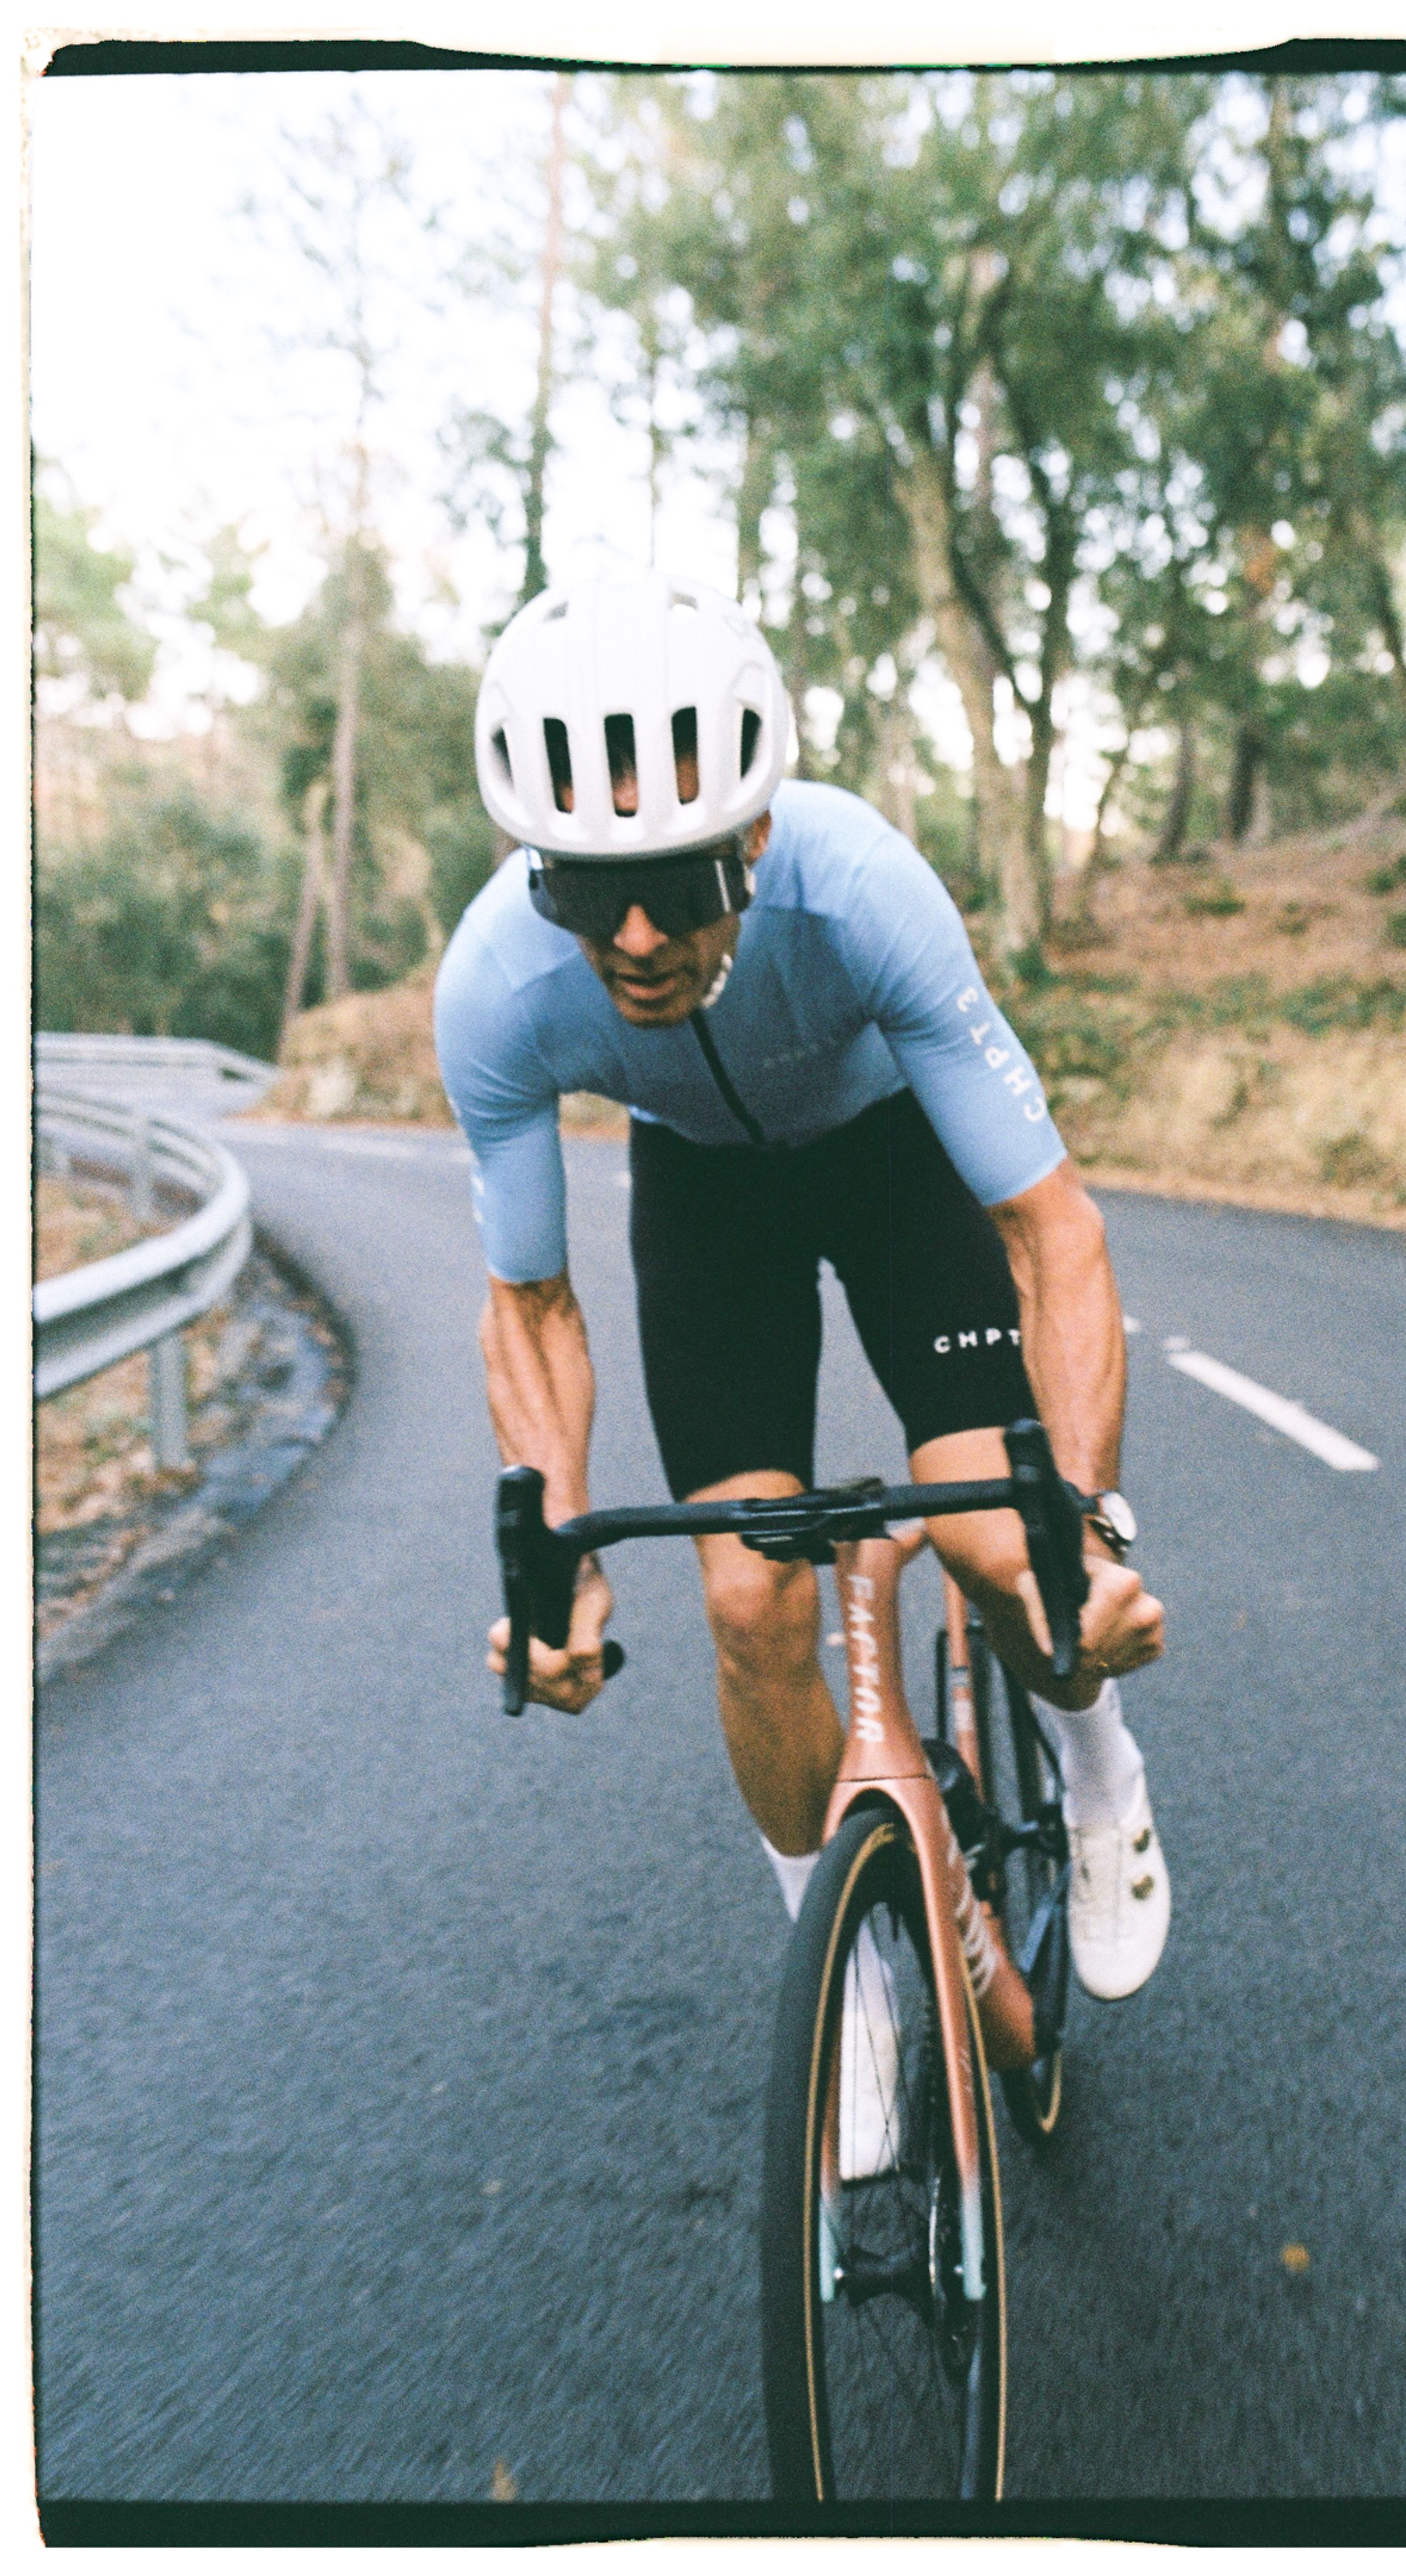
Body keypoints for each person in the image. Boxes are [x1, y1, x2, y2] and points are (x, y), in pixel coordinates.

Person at [434, 550, 1170, 2008]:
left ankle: (1101, 1775)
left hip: (888, 1151)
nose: (634, 940)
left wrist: (1081, 1526)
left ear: (758, 837)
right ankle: (853, 1987)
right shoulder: (497, 986)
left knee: (1003, 1553)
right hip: (706, 1192)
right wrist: (558, 1560)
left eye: (676, 883)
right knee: (749, 1605)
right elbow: (531, 1305)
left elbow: (1052, 1229)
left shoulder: (862, 890)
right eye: (588, 889)